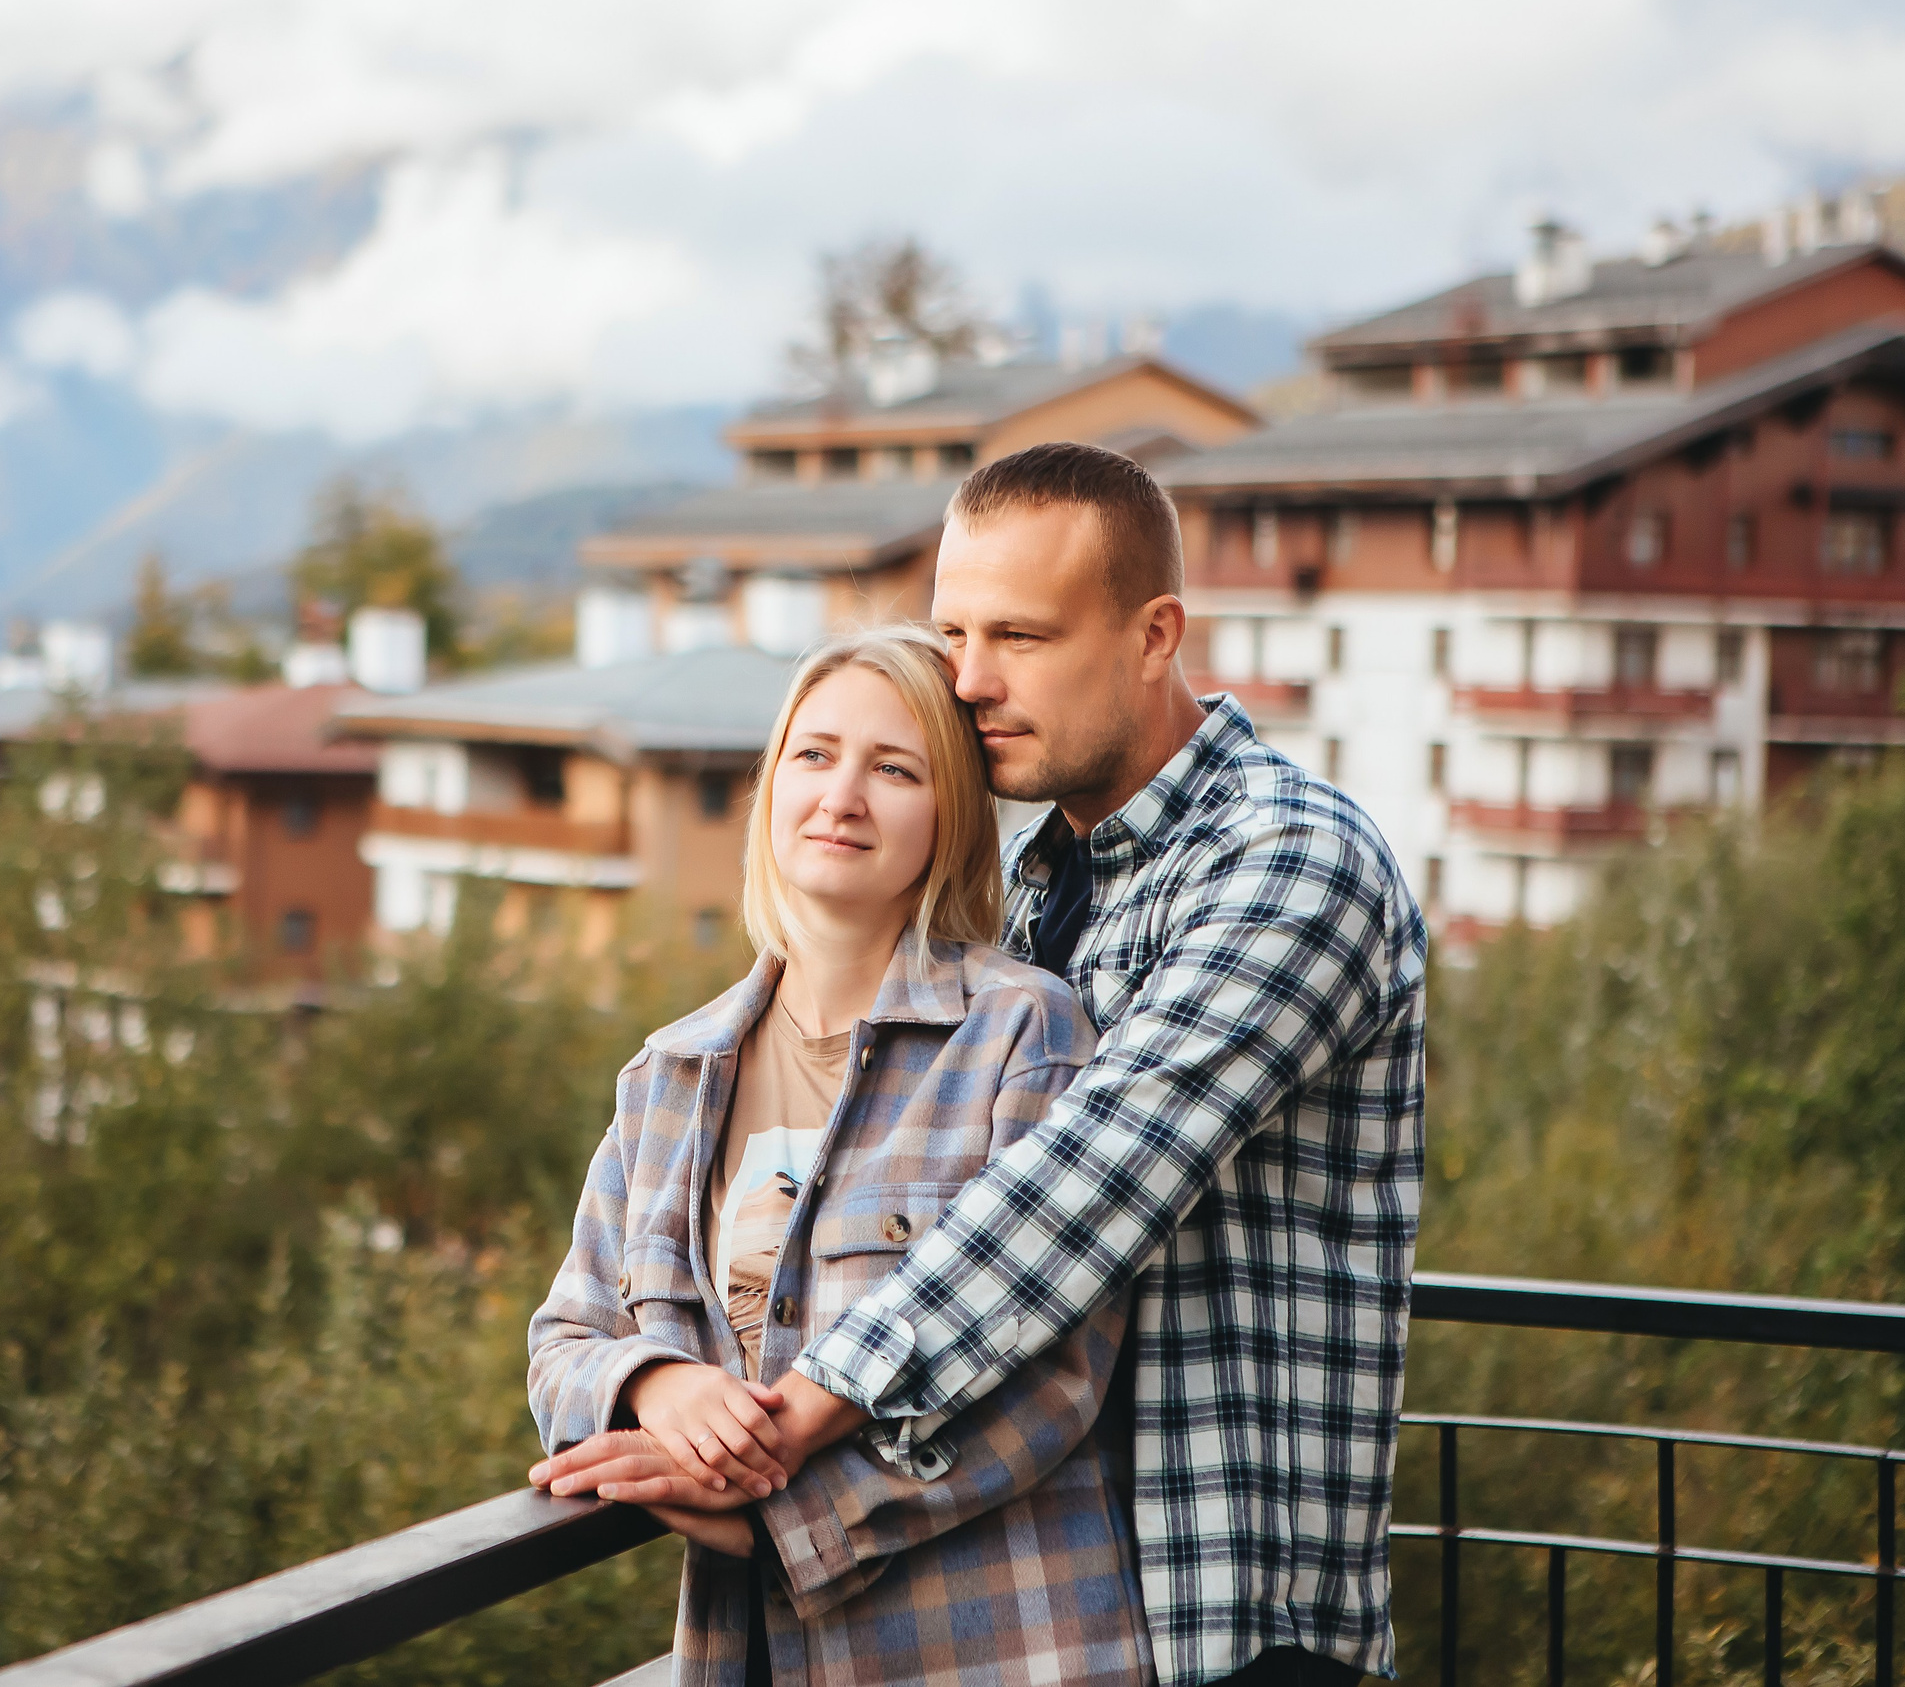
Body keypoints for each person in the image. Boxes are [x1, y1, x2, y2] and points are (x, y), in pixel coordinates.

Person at [540, 443, 1428, 1687]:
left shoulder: (1288, 861)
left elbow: (1082, 1186)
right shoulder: (1027, 891)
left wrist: (777, 1430)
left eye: (1018, 635)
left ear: (1154, 635)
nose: (968, 679)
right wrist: (662, 1390)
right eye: (954, 631)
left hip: (1234, 1616)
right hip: (1026, 1592)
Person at [527, 625, 1151, 1687]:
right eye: (813, 754)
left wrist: (784, 1521)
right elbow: (565, 1339)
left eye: (894, 769)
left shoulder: (1021, 1033)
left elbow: (1056, 1373)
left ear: (950, 817)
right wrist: (659, 1383)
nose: (842, 797)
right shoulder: (668, 1075)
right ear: (771, 783)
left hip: (995, 1649)